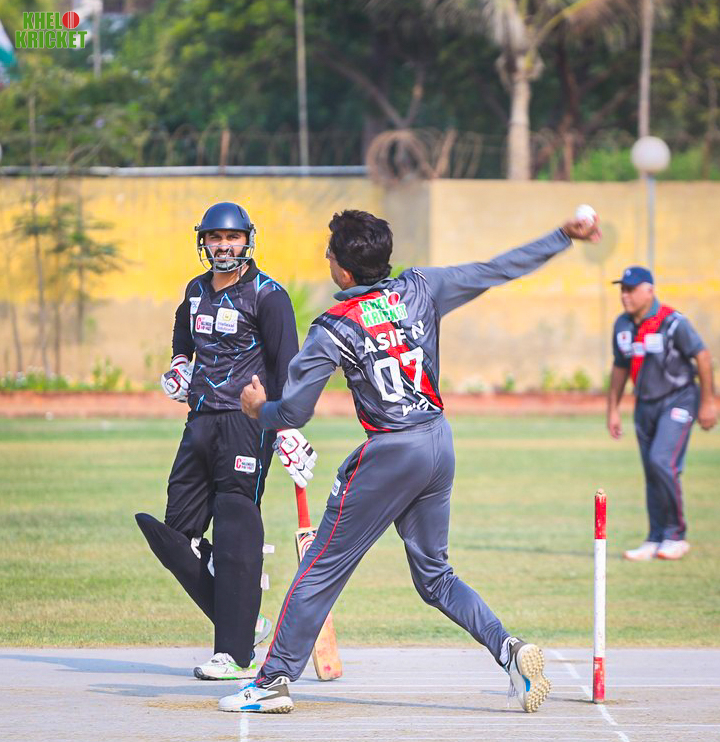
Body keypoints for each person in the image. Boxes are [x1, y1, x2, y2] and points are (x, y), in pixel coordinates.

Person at [217, 208, 601, 714]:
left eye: (329, 254)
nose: (327, 259)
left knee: (321, 566)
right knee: (435, 576)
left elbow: (294, 412)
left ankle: (271, 681)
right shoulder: (421, 287)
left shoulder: (332, 327)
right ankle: (509, 651)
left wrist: (257, 410)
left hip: (392, 451)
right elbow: (496, 270)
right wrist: (561, 236)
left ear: (343, 270)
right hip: (438, 442)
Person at [134, 202, 317, 681]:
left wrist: (287, 428)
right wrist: (180, 364)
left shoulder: (268, 295)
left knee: (236, 526)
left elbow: (288, 367)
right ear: (204, 242)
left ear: (247, 240)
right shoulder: (195, 291)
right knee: (177, 535)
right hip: (199, 421)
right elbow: (183, 333)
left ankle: (234, 655)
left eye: (232, 237)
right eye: (215, 237)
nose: (223, 246)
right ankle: (244, 617)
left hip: (246, 423)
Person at [606, 266, 717, 561]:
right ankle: (655, 537)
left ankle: (675, 535)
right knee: (652, 470)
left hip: (679, 399)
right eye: (622, 290)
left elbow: (702, 355)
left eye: (631, 289)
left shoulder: (672, 322)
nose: (625, 295)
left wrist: (708, 402)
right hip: (645, 404)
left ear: (649, 291)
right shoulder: (622, 325)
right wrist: (613, 409)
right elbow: (620, 367)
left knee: (662, 461)